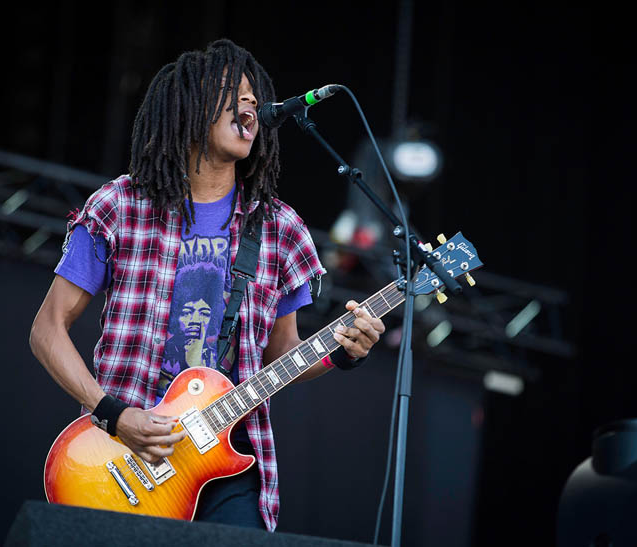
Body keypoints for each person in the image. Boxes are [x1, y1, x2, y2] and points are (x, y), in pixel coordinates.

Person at [29, 38, 385, 531]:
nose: (250, 107)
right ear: (190, 105)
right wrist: (113, 413)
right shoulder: (122, 205)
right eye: (234, 94)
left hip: (229, 466)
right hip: (120, 452)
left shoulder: (279, 229)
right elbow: (47, 331)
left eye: (255, 101)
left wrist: (343, 351)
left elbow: (282, 354)